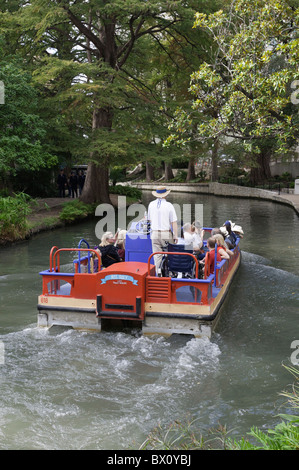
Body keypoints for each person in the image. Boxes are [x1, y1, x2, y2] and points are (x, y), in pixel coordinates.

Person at [147, 186, 178, 274]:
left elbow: (150, 220)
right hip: (166, 233)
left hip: (155, 234)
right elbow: (173, 222)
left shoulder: (151, 204)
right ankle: (170, 274)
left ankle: (158, 273)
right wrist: (175, 235)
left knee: (157, 256)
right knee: (170, 255)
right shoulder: (169, 205)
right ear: (166, 195)